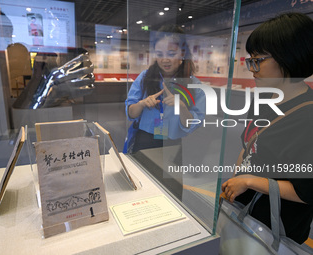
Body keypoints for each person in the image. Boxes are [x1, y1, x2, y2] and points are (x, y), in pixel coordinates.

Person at [221, 12, 313, 244]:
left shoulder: (307, 116)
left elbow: (307, 191)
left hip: (278, 228)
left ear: (289, 56)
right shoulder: (263, 100)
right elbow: (249, 145)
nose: (252, 68)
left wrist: (249, 181)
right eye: (249, 60)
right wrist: (237, 179)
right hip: (245, 212)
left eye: (258, 60)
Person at [125, 24, 205, 153]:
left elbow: (192, 124)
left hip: (173, 142)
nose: (165, 59)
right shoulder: (145, 77)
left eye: (171, 53)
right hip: (144, 139)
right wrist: (141, 104)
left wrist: (182, 107)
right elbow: (130, 113)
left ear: (183, 53)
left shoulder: (194, 85)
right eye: (159, 54)